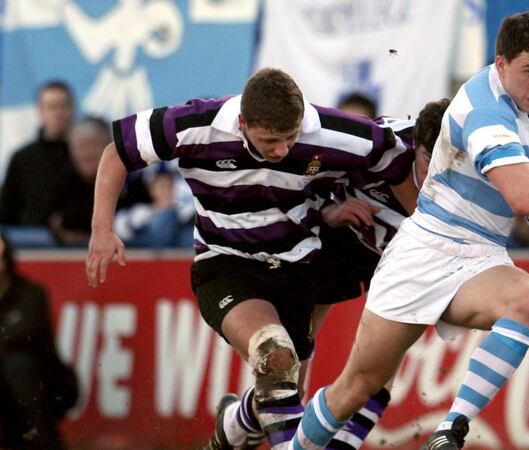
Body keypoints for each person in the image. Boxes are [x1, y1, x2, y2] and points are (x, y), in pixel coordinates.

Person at [289, 10, 529, 450]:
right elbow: (523, 198)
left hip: (482, 251)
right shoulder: (484, 112)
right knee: (357, 387)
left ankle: (449, 432)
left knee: (525, 302)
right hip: (425, 248)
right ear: (500, 64)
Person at [84, 68, 418, 449]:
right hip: (226, 262)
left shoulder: (330, 130)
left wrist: (420, 230)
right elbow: (118, 152)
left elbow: (391, 156)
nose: (281, 151)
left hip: (298, 268)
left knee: (283, 390)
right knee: (274, 355)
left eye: (291, 139)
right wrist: (101, 229)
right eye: (270, 141)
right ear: (242, 122)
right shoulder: (196, 124)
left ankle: (233, 424)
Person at [206, 98, 451, 450]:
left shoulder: (469, 169)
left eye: (448, 161)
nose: (437, 172)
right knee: (289, 382)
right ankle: (235, 421)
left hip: (399, 258)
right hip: (337, 244)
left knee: (378, 369)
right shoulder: (377, 146)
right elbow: (304, 173)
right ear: (415, 146)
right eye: (430, 159)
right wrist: (331, 210)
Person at [0, 233, 78, 449]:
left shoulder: (30, 293)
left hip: (47, 383)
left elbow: (22, 334)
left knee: (18, 365)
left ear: (7, 260)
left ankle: (45, 442)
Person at [0, 81, 75, 246]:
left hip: (81, 242)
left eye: (63, 106)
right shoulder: (23, 158)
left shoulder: (88, 156)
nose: (58, 113)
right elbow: (7, 208)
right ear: (40, 112)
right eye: (52, 107)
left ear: (73, 109)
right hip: (32, 246)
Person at [48, 116, 110, 246]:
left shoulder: (129, 180)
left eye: (94, 145)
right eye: (81, 146)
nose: (88, 154)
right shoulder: (59, 180)